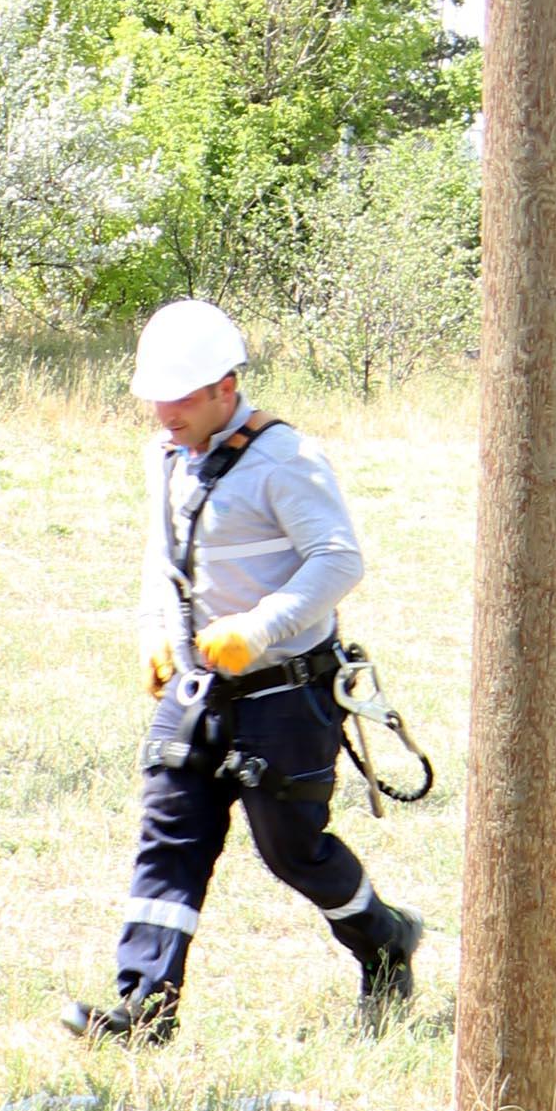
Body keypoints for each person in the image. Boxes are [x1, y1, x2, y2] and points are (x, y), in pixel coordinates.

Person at [64, 299, 419, 1043]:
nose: (165, 411)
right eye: (157, 395)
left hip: (285, 694)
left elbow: (339, 560)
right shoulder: (166, 453)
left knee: (292, 850)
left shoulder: (284, 458)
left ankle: (384, 943)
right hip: (198, 692)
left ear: (227, 387)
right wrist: (157, 633)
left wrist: (258, 628)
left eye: (182, 395)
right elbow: (163, 561)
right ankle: (144, 1008)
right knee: (169, 834)